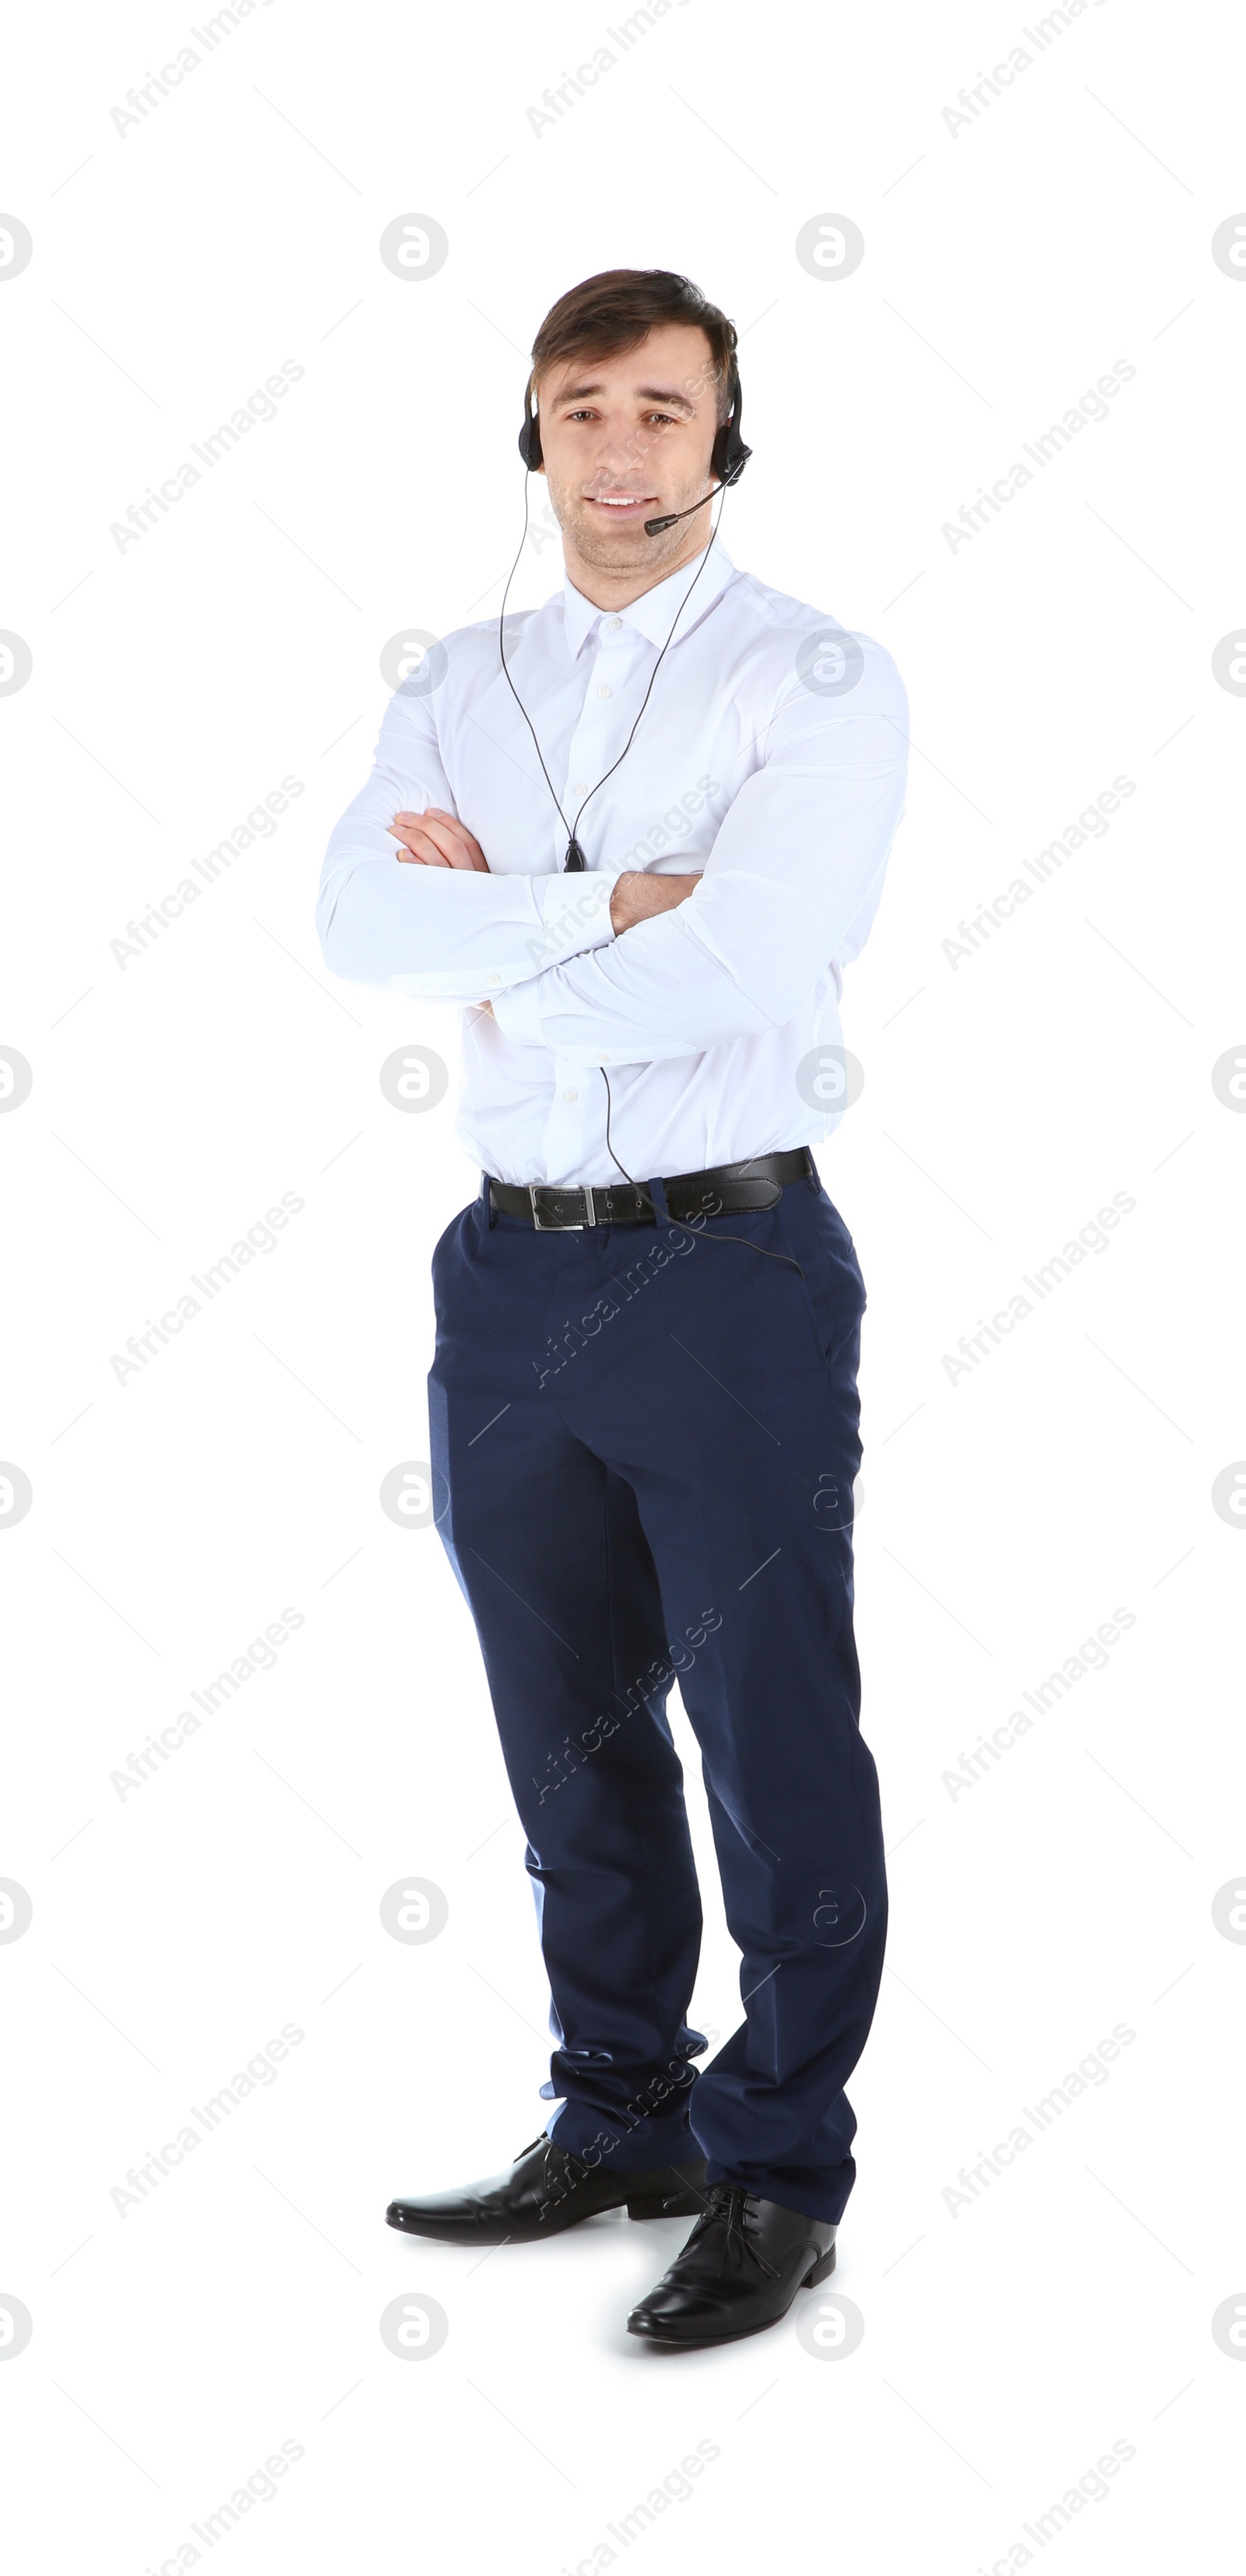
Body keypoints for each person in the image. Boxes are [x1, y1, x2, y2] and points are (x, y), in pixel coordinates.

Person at [316, 267, 909, 2349]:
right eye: (585, 408)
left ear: (725, 437)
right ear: (536, 435)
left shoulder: (816, 678)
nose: (623, 447)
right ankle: (621, 2112)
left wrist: (483, 936)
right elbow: (350, 916)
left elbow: (750, 967)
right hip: (507, 1265)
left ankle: (774, 2165)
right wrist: (587, 904)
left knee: (770, 1729)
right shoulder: (458, 679)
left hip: (724, 1259)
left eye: (667, 409)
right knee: (568, 1729)